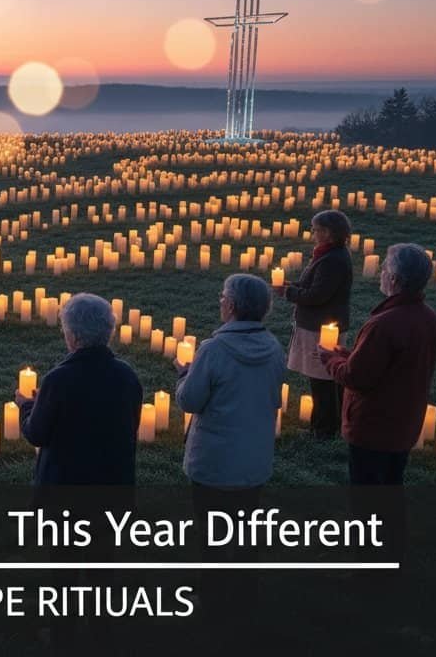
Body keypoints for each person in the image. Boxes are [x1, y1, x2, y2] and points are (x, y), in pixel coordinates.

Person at [175, 276, 284, 646]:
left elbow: (190, 401)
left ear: (232, 306)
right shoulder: (272, 346)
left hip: (216, 460)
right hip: (253, 457)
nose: (220, 302)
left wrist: (184, 374)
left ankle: (213, 601)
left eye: (222, 297)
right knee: (243, 528)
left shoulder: (213, 350)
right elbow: (272, 398)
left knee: (211, 533)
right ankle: (245, 590)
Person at [320, 243, 436, 485]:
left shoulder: (384, 324)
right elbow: (396, 365)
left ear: (394, 279)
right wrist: (350, 354)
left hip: (374, 427)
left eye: (384, 268)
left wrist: (331, 360)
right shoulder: (430, 319)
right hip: (404, 423)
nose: (381, 273)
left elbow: (356, 378)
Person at [18, 293, 143, 485]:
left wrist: (27, 406)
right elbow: (131, 426)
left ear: (74, 337)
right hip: (113, 483)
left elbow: (36, 433)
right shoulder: (127, 376)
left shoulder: (58, 380)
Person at [276, 209, 352, 439]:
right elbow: (312, 284)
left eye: (316, 229)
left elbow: (318, 295)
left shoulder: (333, 260)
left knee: (322, 379)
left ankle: (323, 429)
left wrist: (288, 292)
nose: (313, 232)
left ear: (329, 233)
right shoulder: (328, 254)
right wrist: (294, 284)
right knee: (327, 378)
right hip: (320, 324)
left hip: (321, 328)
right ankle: (331, 423)